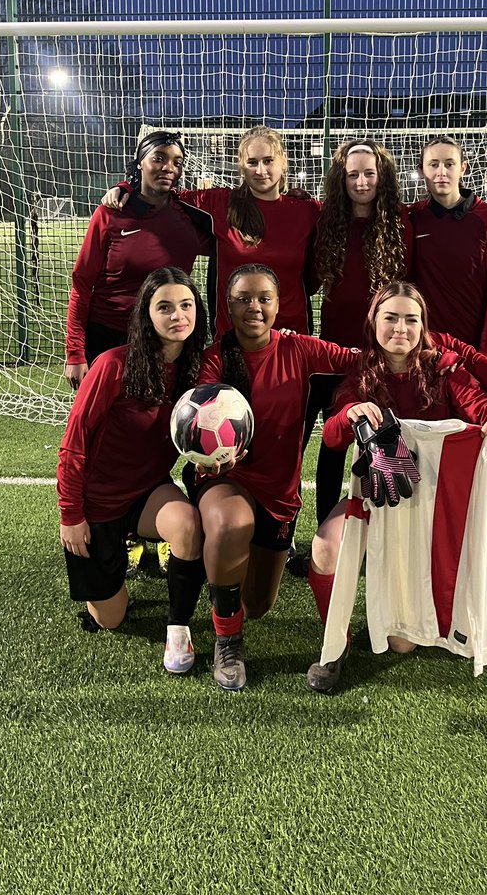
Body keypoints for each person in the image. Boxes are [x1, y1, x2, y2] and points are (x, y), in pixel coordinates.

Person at [305, 281, 487, 693]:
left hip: (431, 502)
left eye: (411, 319)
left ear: (424, 326)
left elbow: (483, 407)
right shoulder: (362, 372)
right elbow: (334, 437)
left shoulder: (443, 367)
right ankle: (336, 643)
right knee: (324, 549)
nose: (400, 328)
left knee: (401, 643)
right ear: (374, 322)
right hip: (377, 493)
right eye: (391, 317)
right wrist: (351, 412)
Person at [194, 263, 359, 691]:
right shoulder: (215, 360)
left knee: (259, 603)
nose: (254, 307)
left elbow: (361, 359)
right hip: (226, 479)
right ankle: (226, 641)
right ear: (227, 306)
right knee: (232, 522)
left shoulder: (299, 349)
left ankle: (222, 576)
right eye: (243, 299)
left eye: (264, 298)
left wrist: (436, 354)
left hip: (278, 493)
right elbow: (197, 422)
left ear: (279, 304)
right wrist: (213, 459)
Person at [57, 267, 210, 674]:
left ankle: (177, 630)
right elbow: (74, 446)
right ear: (147, 315)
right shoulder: (113, 366)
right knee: (111, 619)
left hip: (148, 492)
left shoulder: (198, 371)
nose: (178, 314)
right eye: (165, 307)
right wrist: (71, 516)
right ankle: (113, 572)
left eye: (186, 305)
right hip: (98, 504)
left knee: (187, 524)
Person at [103, 126, 322, 338]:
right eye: (252, 162)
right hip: (232, 339)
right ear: (241, 166)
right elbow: (165, 191)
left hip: (292, 336)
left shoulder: (307, 210)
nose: (261, 170)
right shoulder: (220, 204)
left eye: (268, 161)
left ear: (283, 161)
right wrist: (128, 186)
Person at [304, 139, 413, 527]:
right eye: (353, 174)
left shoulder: (400, 224)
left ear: (382, 176)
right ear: (341, 179)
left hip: (382, 355)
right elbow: (309, 280)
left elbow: (407, 292)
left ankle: (387, 533)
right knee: (335, 443)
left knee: (385, 439)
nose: (362, 182)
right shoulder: (328, 223)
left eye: (370, 173)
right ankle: (326, 529)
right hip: (335, 354)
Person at [65, 130, 213, 389]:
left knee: (160, 422)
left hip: (165, 339)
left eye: (177, 163)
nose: (168, 168)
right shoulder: (110, 214)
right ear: (139, 163)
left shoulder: (188, 218)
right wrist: (75, 352)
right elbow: (82, 284)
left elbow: (236, 241)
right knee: (103, 423)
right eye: (159, 158)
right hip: (108, 336)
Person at [409, 134, 487, 362]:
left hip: (471, 351)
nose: (441, 172)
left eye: (449, 164)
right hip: (424, 349)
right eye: (433, 165)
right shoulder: (413, 217)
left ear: (463, 168)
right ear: (422, 170)